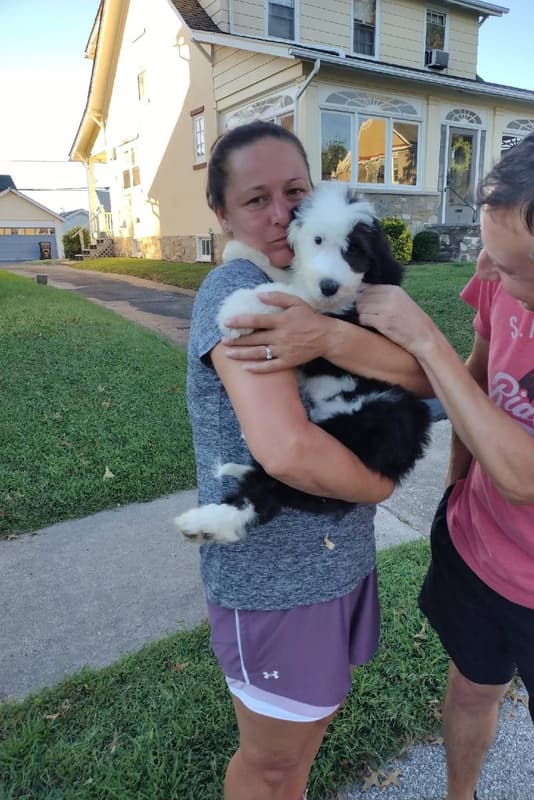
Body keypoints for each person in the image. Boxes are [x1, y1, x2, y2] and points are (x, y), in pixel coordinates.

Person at [224, 105, 534, 800]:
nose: (485, 272)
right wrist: (456, 497)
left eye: (508, 267)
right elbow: (476, 385)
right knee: (468, 693)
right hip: (478, 550)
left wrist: (423, 338)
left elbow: (527, 475)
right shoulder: (513, 265)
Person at [187, 119, 430, 800]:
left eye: (293, 192)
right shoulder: (238, 289)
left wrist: (327, 334)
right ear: (221, 213)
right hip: (274, 580)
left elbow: (420, 375)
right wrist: (380, 485)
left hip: (334, 562)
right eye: (254, 199)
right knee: (271, 765)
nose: (278, 215)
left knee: (301, 750)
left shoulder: (317, 277)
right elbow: (288, 450)